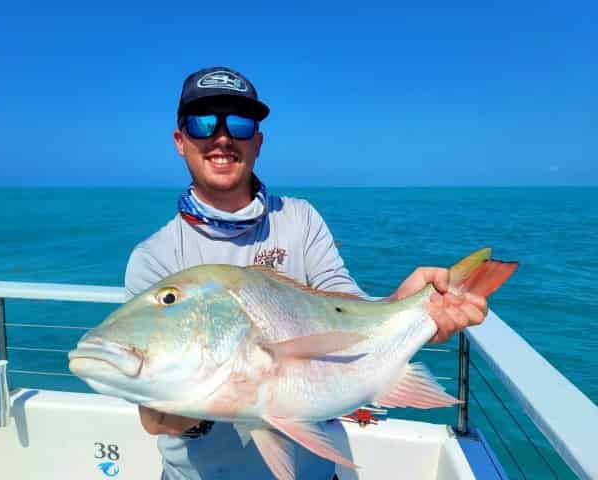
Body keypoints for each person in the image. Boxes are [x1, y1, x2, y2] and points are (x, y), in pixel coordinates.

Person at [124, 66, 488, 479]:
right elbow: (154, 420)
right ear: (180, 140)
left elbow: (343, 304)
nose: (222, 137)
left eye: (240, 124)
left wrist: (401, 307)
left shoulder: (300, 220)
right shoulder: (154, 258)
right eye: (203, 122)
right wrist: (215, 394)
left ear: (257, 143)